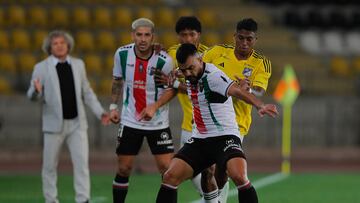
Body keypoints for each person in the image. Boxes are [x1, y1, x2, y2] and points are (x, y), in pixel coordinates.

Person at [144, 43, 278, 203]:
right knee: (170, 176)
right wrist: (174, 73)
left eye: (190, 68)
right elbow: (181, 71)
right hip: (201, 139)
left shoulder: (213, 76)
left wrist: (260, 105)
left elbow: (237, 91)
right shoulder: (187, 72)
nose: (188, 73)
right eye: (184, 69)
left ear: (200, 59)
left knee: (239, 176)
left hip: (225, 136)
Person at [27, 30, 110, 203]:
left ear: (68, 45)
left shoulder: (79, 64)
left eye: (62, 42)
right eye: (55, 43)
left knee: (81, 165)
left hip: (77, 124)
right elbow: (31, 96)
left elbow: (87, 92)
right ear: (49, 47)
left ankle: (83, 199)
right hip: (53, 125)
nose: (59, 46)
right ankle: (51, 200)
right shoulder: (41, 68)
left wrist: (100, 112)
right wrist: (36, 91)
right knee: (49, 166)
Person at [202, 18, 272, 200]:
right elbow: (195, 65)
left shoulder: (261, 63)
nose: (244, 43)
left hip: (236, 124)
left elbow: (259, 91)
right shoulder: (217, 52)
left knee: (222, 169)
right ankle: (215, 199)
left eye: (249, 39)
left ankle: (218, 198)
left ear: (255, 40)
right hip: (208, 119)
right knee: (207, 169)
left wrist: (247, 89)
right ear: (234, 36)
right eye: (241, 38)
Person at [109, 18, 175, 203]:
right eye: (139, 35)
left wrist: (154, 106)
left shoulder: (164, 60)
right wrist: (113, 107)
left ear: (152, 36)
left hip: (158, 122)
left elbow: (172, 89)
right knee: (124, 169)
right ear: (133, 35)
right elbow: (116, 81)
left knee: (167, 171)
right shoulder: (121, 54)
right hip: (130, 121)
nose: (143, 39)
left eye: (147, 35)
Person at [166, 16, 219, 202]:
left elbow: (206, 88)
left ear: (199, 35)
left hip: (211, 127)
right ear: (178, 37)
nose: (188, 38)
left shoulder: (210, 55)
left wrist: (174, 85)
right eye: (183, 35)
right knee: (196, 177)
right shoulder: (171, 55)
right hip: (188, 127)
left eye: (192, 34)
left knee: (213, 174)